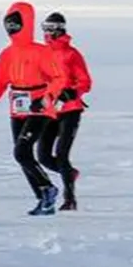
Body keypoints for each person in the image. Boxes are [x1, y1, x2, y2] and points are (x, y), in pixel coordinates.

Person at [0, 1, 74, 216]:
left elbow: (59, 79)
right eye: (9, 25)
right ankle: (44, 199)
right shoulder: (7, 54)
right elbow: (1, 79)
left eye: (15, 24)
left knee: (22, 152)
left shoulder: (42, 52)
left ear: (26, 23)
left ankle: (47, 189)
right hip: (18, 107)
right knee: (20, 155)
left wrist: (45, 97)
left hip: (39, 107)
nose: (12, 29)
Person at [37, 12, 92, 211]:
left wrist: (72, 92)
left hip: (70, 111)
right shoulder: (42, 53)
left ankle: (70, 199)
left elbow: (85, 82)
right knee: (42, 156)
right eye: (45, 27)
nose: (47, 32)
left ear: (60, 28)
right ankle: (70, 173)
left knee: (61, 155)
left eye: (51, 27)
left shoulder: (72, 54)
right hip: (49, 111)